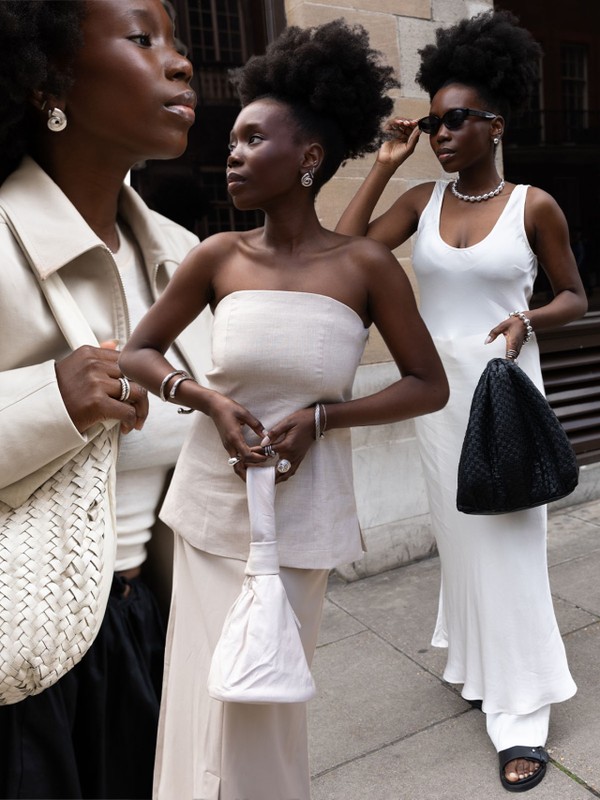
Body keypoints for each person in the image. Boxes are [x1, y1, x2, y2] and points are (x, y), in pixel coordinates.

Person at [119, 18, 449, 800]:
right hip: (208, 512)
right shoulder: (216, 256)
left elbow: (426, 382)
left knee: (265, 701)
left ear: (308, 158)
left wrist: (324, 419)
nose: (231, 153)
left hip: (302, 519)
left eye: (251, 139)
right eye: (231, 139)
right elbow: (138, 353)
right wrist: (202, 399)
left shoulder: (365, 266)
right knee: (202, 695)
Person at [336, 9, 588, 794]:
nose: (441, 133)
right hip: (438, 396)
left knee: (508, 548)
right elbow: (347, 252)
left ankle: (522, 712)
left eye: (455, 120)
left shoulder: (534, 205)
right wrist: (382, 163)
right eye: (434, 120)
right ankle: (481, 667)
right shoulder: (420, 199)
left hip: (505, 389)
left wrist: (528, 318)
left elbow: (575, 296)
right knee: (461, 542)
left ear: (495, 124)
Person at [0, 1, 210, 797]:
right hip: (26, 656)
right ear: (50, 76)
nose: (180, 61)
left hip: (156, 631)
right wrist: (52, 397)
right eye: (142, 37)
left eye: (177, 41)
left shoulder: (182, 258)